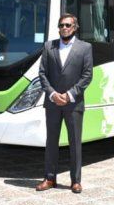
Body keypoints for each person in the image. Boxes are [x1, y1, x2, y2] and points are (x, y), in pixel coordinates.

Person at [35, 13, 93, 194]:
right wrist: (52, 94)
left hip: (73, 103)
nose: (64, 28)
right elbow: (42, 73)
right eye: (61, 25)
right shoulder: (48, 46)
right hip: (52, 103)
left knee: (74, 142)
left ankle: (75, 181)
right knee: (51, 141)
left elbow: (87, 75)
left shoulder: (85, 48)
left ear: (74, 27)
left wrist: (69, 95)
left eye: (68, 25)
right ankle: (49, 178)